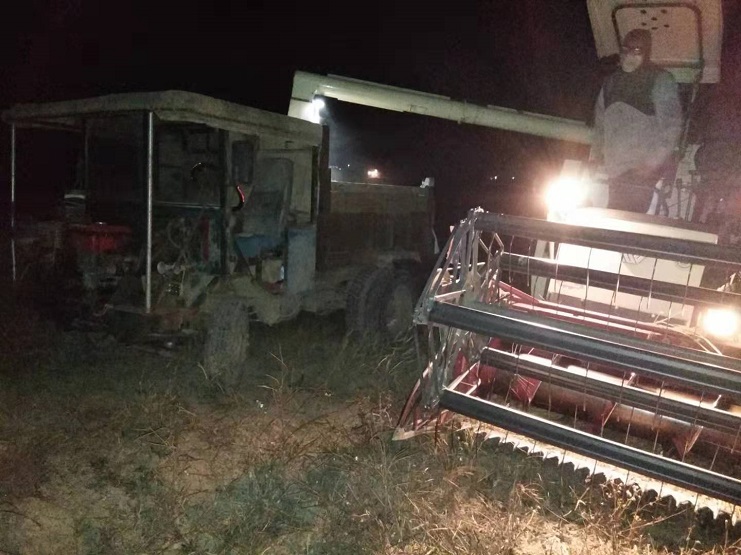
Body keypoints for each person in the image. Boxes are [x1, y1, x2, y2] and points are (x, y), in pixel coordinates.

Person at [589, 28, 683, 213]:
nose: (630, 55)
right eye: (626, 49)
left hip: (640, 171)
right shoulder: (610, 82)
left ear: (646, 52)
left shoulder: (660, 79)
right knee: (615, 217)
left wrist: (651, 163)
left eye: (637, 51)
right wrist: (594, 157)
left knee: (627, 219)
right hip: (615, 169)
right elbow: (600, 125)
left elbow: (671, 125)